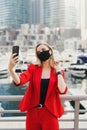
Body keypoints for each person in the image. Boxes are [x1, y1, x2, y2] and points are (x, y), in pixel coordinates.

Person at [8, 43, 68, 130]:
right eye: (38, 52)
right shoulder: (33, 68)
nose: (41, 52)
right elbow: (20, 81)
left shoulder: (58, 71)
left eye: (43, 49)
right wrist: (11, 69)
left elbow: (62, 90)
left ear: (50, 51)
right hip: (33, 112)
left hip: (50, 112)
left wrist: (58, 70)